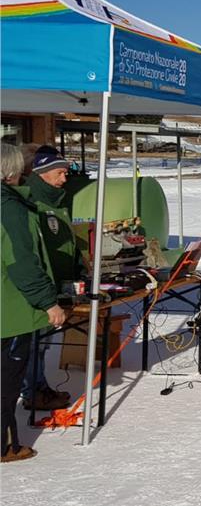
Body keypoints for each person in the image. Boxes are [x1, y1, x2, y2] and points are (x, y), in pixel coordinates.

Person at [2, 143, 68, 463]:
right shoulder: (10, 207)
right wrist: (48, 302)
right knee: (6, 382)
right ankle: (5, 446)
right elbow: (22, 264)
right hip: (10, 310)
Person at [21, 147, 78, 411]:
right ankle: (32, 391)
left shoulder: (55, 202)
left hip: (56, 284)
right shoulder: (32, 202)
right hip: (38, 286)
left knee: (42, 343)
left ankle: (38, 387)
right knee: (33, 343)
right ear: (42, 173)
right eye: (60, 173)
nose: (65, 179)